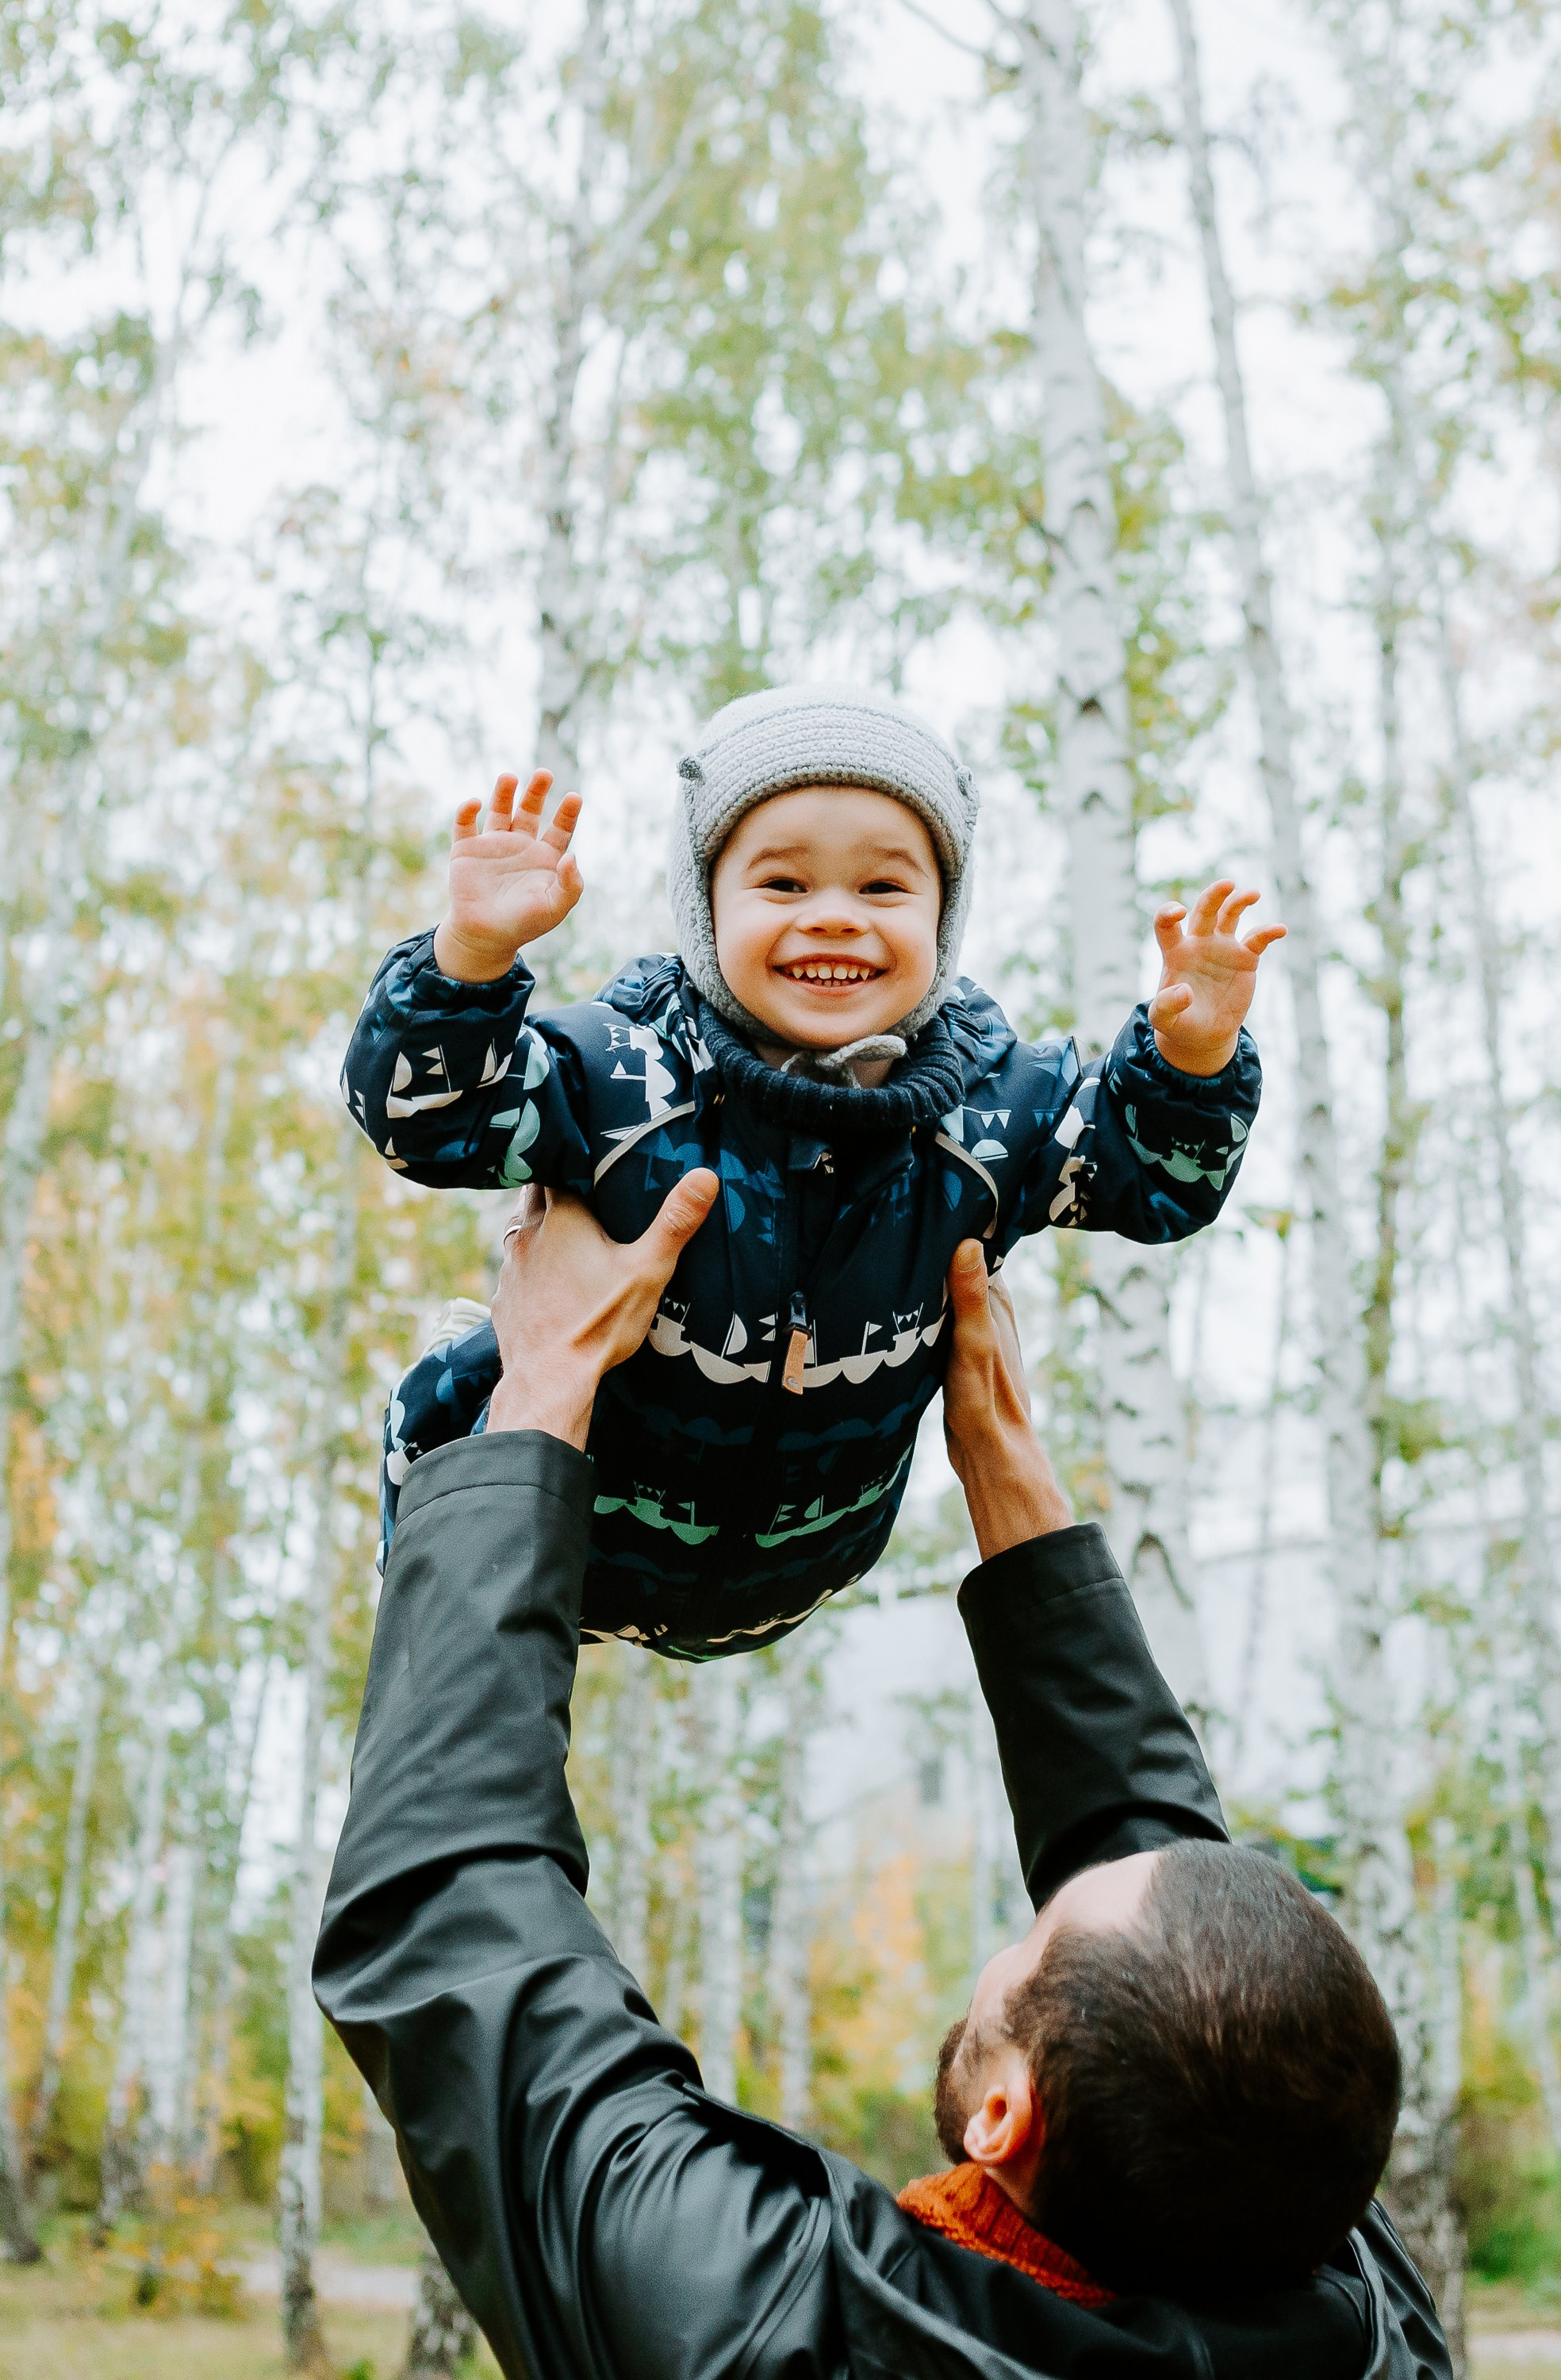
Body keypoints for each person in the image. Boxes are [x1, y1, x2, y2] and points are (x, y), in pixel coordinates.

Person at [315, 1173, 1451, 2380]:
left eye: (1027, 1957)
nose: (1016, 1942)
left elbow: (446, 1920)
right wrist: (1009, 1470)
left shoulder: (783, 2339)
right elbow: (1178, 1965)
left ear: (1007, 2114)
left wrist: (540, 1386)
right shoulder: (1359, 2312)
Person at [342, 682, 1283, 1658]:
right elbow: (431, 1122)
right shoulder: (620, 1072)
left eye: (882, 889)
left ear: (944, 918)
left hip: (786, 1574)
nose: (834, 917)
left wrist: (1192, 1060)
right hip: (528, 1531)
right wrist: (471, 959)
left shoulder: (996, 1109)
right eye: (784, 886)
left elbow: (1149, 1180)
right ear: (704, 908)